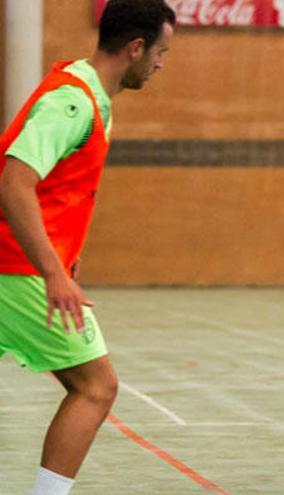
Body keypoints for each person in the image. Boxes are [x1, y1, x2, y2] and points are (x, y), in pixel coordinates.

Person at [0, 2, 175, 494]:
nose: (162, 63)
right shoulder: (72, 102)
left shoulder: (89, 95)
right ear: (135, 47)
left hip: (15, 266)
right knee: (96, 386)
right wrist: (55, 272)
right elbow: (14, 183)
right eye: (160, 52)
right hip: (17, 270)